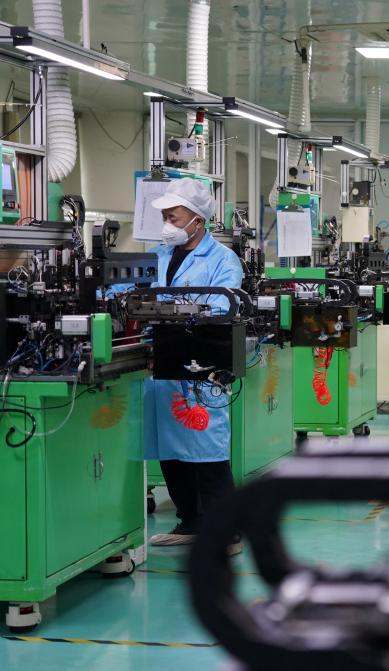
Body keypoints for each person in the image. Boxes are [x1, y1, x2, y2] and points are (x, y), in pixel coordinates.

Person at [142, 179, 243, 551]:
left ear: (197, 220)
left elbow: (224, 305)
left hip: (200, 364)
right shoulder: (158, 255)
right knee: (170, 449)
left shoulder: (222, 260)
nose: (167, 223)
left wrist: (174, 309)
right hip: (162, 361)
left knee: (207, 450)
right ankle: (191, 522)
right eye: (165, 217)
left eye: (174, 217)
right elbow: (128, 290)